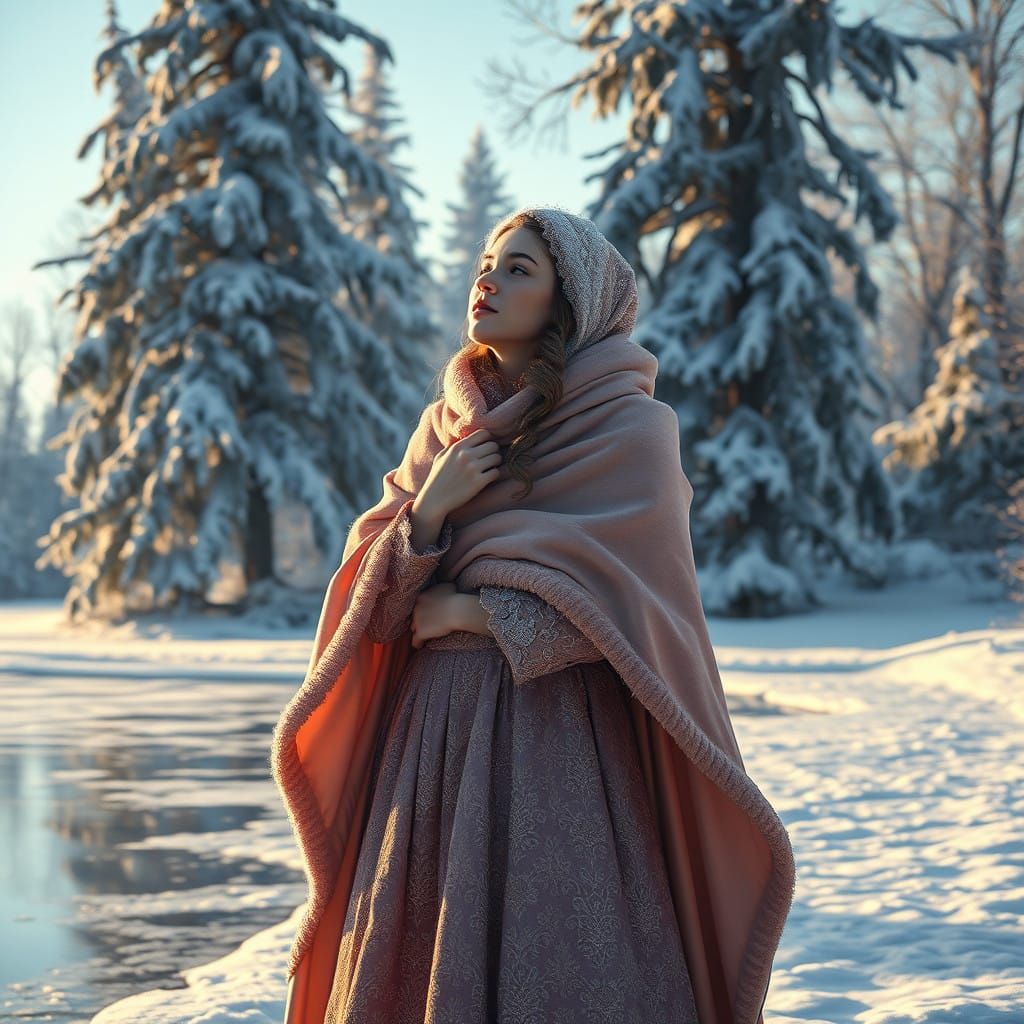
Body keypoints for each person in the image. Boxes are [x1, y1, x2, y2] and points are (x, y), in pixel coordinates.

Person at [272, 205, 797, 1024]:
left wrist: (474, 616)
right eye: (488, 263)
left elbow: (642, 611)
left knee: (558, 957)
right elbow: (378, 614)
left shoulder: (629, 429)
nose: (488, 279)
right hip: (434, 747)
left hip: (561, 746)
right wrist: (430, 511)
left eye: (520, 269)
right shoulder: (444, 430)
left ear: (570, 301)